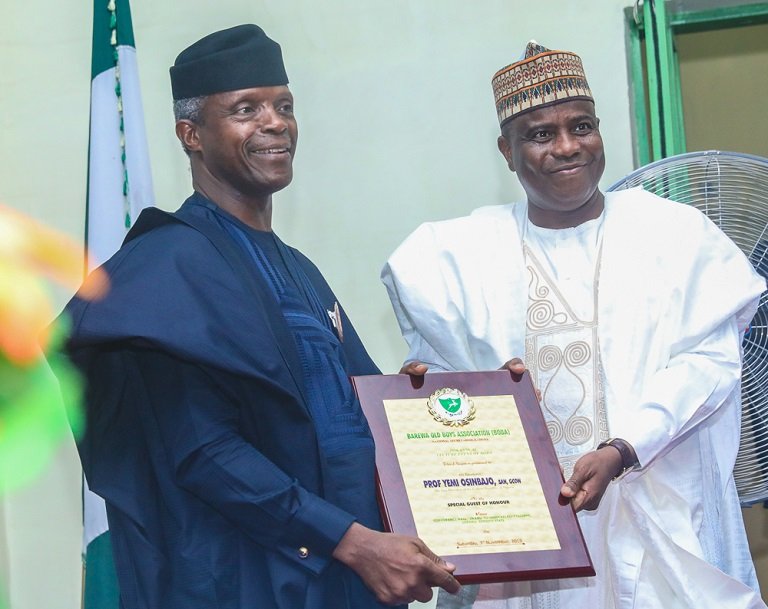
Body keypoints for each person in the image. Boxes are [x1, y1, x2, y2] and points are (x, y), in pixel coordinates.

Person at [60, 24, 461, 609]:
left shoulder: (300, 270)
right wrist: (349, 542)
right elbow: (203, 452)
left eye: (284, 105)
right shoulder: (164, 270)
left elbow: (357, 409)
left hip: (350, 578)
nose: (275, 123)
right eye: (246, 109)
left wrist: (460, 405)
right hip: (250, 581)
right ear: (190, 134)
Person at [381, 41, 767, 609]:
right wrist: (428, 391)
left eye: (582, 126)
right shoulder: (455, 258)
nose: (567, 147)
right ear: (506, 152)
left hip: (656, 512)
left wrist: (624, 449)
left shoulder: (675, 236)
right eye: (540, 134)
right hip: (525, 538)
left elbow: (708, 365)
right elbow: (444, 381)